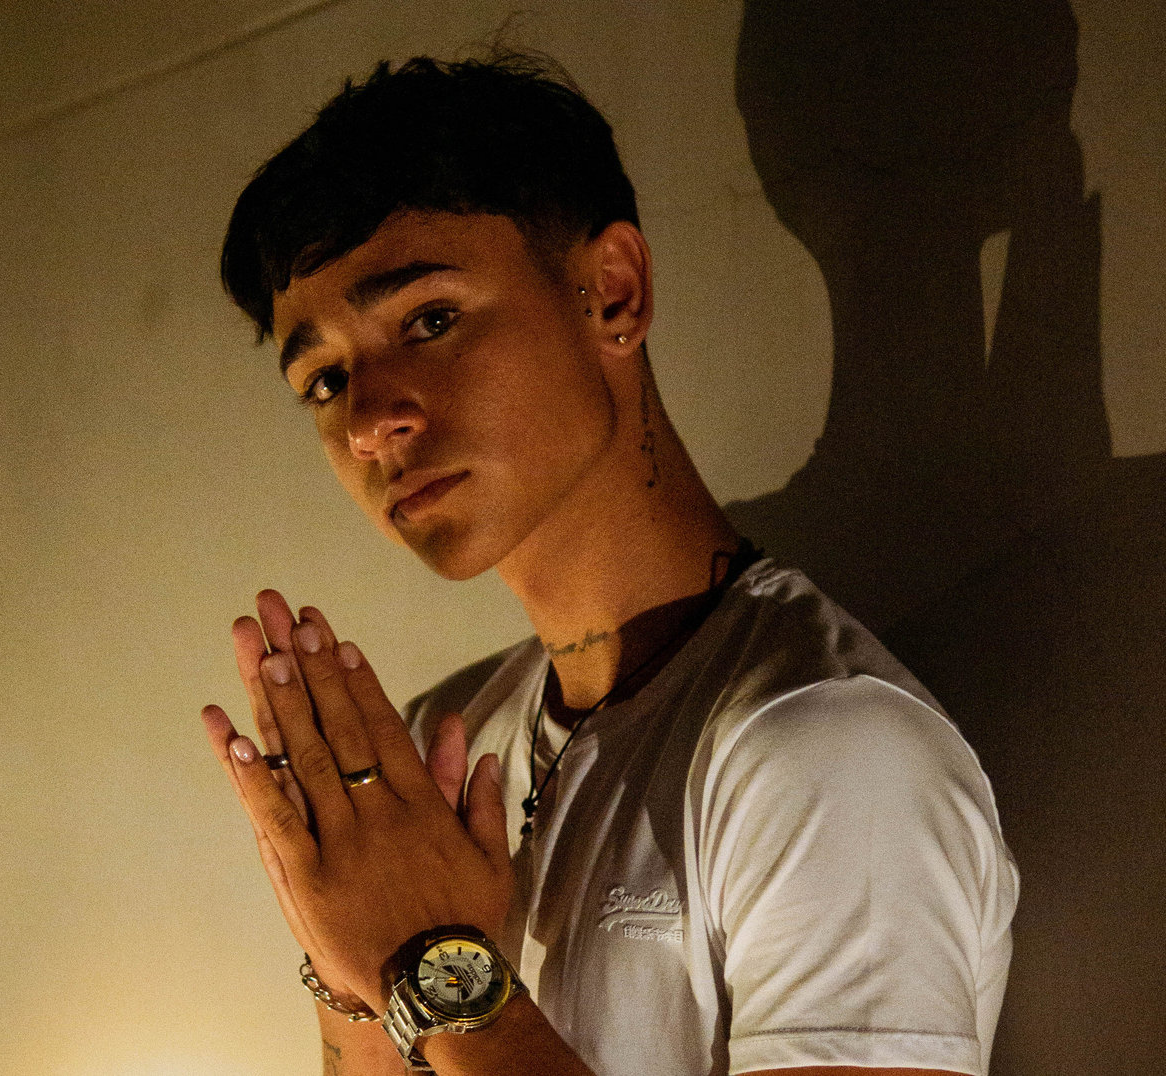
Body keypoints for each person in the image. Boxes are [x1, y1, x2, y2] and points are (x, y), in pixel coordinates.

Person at [201, 52, 1017, 1076]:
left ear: (614, 295)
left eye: (430, 320)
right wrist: (347, 950)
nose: (370, 422)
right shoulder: (438, 744)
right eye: (325, 380)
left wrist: (431, 963)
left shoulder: (831, 749)